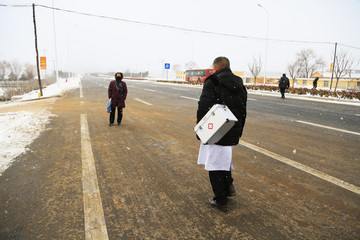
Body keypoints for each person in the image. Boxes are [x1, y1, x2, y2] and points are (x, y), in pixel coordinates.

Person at [196, 57, 247, 210]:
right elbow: (243, 109)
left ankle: (220, 200)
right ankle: (228, 188)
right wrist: (239, 131)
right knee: (224, 159)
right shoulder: (239, 82)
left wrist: (200, 129)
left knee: (214, 164)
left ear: (216, 68)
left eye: (213, 69)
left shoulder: (213, 81)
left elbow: (203, 106)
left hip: (216, 128)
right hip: (232, 127)